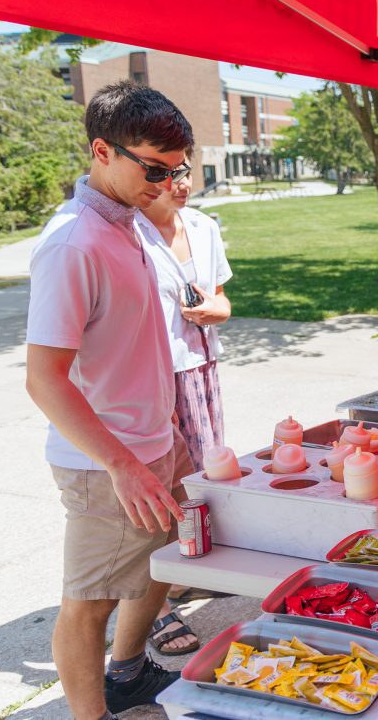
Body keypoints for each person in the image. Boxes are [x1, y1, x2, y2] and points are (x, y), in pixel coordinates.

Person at [26, 81, 194, 719]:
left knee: (161, 562)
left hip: (154, 441)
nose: (167, 182)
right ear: (102, 151)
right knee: (89, 601)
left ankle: (126, 673)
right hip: (105, 466)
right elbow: (45, 379)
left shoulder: (128, 222)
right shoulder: (72, 243)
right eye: (154, 168)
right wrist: (122, 463)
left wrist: (168, 430)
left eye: (177, 168)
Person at [134, 163, 233, 656]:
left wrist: (220, 309)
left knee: (199, 477)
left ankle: (178, 578)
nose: (181, 183)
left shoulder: (203, 227)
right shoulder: (127, 233)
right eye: (167, 172)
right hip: (152, 376)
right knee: (160, 485)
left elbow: (221, 297)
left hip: (201, 367)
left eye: (186, 170)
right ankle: (152, 607)